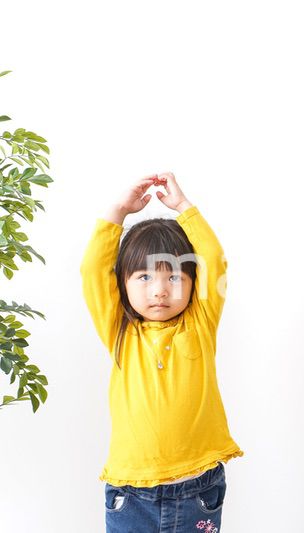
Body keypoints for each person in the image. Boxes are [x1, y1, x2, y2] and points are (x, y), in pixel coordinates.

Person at [81, 173, 241, 533]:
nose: (159, 291)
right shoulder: (121, 332)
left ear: (191, 282)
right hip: (130, 493)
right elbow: (92, 270)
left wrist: (185, 208)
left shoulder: (200, 323)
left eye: (173, 278)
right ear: (122, 283)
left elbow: (212, 259)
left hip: (197, 488)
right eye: (144, 277)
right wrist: (118, 211)